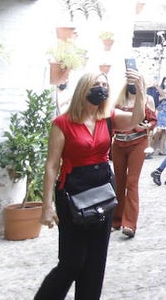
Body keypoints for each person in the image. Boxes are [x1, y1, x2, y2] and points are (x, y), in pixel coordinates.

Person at [34, 69, 148, 300]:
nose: (102, 89)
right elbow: (52, 165)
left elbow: (136, 120)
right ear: (83, 88)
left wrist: (141, 90)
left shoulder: (108, 118)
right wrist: (46, 205)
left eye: (105, 85)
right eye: (96, 84)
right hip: (72, 190)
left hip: (102, 188)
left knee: (96, 261)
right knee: (72, 261)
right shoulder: (62, 123)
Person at [111, 73, 156, 238]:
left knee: (132, 182)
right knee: (119, 182)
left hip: (138, 143)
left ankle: (129, 223)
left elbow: (153, 120)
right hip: (119, 144)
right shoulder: (118, 101)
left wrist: (145, 126)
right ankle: (116, 220)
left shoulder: (146, 100)